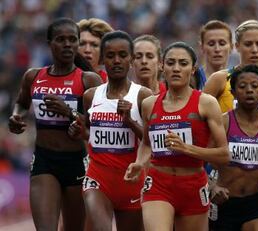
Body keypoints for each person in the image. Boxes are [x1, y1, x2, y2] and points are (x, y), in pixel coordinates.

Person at [8, 18, 102, 231]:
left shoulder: (89, 80)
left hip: (77, 162)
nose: (67, 44)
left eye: (72, 40)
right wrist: (16, 117)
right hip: (44, 160)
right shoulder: (33, 76)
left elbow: (99, 124)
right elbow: (21, 103)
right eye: (61, 40)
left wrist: (68, 112)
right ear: (49, 43)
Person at [124, 41, 230, 231]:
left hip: (193, 185)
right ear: (162, 66)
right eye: (171, 63)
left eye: (183, 63)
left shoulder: (206, 103)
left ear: (193, 68)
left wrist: (186, 148)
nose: (176, 68)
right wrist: (140, 163)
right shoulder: (149, 104)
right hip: (158, 183)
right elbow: (147, 144)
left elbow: (224, 154)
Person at [68, 30, 152, 231]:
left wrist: (129, 121)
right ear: (103, 59)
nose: (116, 61)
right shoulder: (90, 96)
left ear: (131, 59)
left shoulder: (142, 96)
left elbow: (151, 142)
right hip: (98, 178)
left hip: (131, 181)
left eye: (122, 55)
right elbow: (89, 131)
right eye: (110, 55)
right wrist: (78, 131)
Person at [209, 65, 258, 231]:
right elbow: (202, 163)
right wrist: (212, 187)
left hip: (255, 202)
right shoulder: (223, 122)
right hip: (224, 201)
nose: (249, 90)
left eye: (255, 86)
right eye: (242, 86)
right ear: (232, 92)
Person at [204, 19, 258, 120]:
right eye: (248, 44)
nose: (254, 50)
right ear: (237, 46)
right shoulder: (219, 79)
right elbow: (201, 119)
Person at [194, 20, 233, 90]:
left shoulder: (238, 80)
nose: (217, 49)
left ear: (231, 47)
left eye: (222, 44)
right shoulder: (193, 80)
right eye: (211, 44)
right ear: (202, 47)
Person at [78, 18, 114, 82]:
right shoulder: (57, 78)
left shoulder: (111, 83)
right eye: (82, 44)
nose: (87, 50)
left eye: (94, 45)